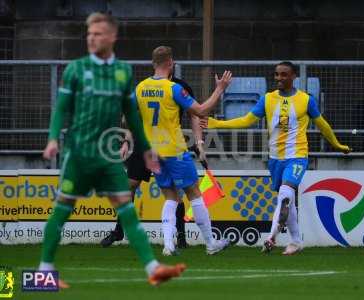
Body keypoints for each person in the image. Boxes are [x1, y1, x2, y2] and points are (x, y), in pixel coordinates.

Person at [40, 12, 185, 288]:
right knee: (62, 209)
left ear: (112, 37)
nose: (92, 38)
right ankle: (44, 272)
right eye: (89, 34)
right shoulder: (75, 69)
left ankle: (154, 268)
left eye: (98, 34)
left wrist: (144, 150)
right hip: (79, 154)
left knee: (126, 210)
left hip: (107, 157)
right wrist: (51, 138)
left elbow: (132, 115)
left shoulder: (123, 72)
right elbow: (61, 107)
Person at [203, 61, 351, 255]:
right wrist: (216, 124)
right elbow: (247, 120)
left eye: (284, 74)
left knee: (285, 194)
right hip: (275, 159)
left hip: (297, 156)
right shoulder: (268, 99)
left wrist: (337, 145)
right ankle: (296, 241)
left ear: (294, 76)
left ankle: (271, 236)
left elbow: (322, 125)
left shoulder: (306, 100)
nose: (279, 78)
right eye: (277, 74)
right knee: (286, 200)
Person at [133, 45, 232, 256]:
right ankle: (211, 243)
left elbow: (128, 116)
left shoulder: (140, 87)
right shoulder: (174, 89)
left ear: (153, 63)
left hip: (152, 152)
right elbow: (201, 111)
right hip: (174, 150)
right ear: (171, 64)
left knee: (170, 196)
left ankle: (168, 245)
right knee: (194, 193)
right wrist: (219, 89)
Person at [100, 73, 203, 249]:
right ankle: (119, 230)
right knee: (130, 184)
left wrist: (199, 141)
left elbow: (195, 115)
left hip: (169, 145)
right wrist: (126, 141)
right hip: (144, 144)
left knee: (175, 190)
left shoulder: (179, 87)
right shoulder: (146, 86)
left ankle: (181, 235)